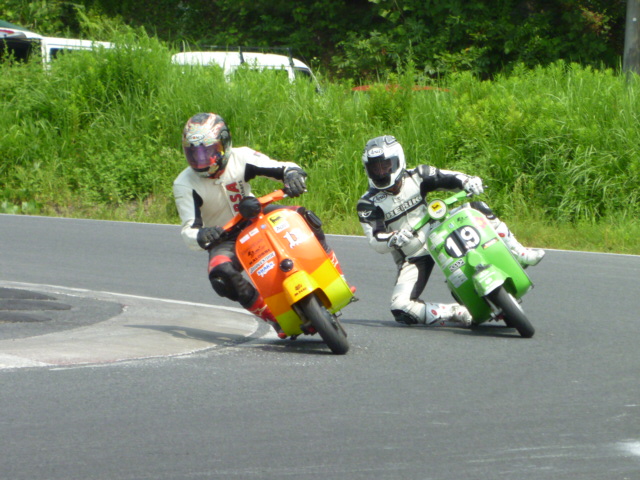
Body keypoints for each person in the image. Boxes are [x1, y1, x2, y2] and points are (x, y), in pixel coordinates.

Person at [173, 112, 344, 338]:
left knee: (303, 216)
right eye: (194, 153)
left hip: (256, 216)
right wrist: (203, 235)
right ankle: (273, 317)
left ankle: (335, 277)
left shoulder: (241, 157)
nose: (202, 160)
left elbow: (283, 167)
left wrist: (293, 176)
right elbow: (189, 230)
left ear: (225, 144)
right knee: (220, 273)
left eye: (209, 151)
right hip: (224, 236)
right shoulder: (184, 183)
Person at [356, 135, 545, 328]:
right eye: (375, 168)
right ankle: (456, 312)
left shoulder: (418, 175)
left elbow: (449, 177)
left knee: (477, 207)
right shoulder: (367, 203)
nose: (381, 172)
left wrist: (468, 181)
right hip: (413, 254)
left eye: (385, 165)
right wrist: (393, 238)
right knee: (400, 307)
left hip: (440, 231)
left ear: (398, 160)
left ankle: (518, 252)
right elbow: (375, 239)